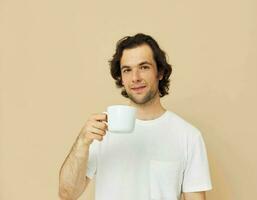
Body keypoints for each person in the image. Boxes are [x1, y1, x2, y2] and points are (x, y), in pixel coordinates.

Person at [59, 33, 212, 200]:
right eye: (127, 70)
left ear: (160, 72)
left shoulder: (188, 136)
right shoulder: (101, 129)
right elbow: (67, 194)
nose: (135, 78)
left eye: (144, 67)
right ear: (121, 78)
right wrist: (82, 142)